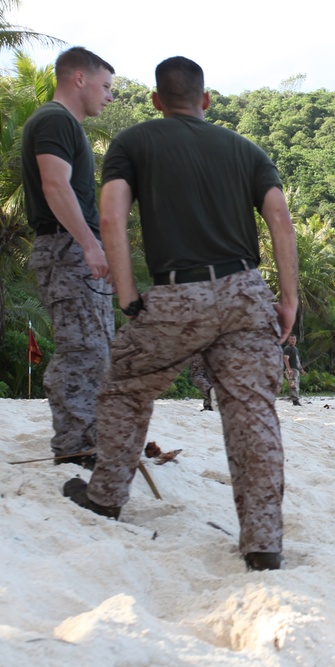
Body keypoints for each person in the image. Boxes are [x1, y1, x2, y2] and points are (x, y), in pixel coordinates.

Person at [61, 56, 299, 572]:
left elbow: (109, 216)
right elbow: (280, 218)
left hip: (175, 295)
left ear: (155, 102)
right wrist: (289, 299)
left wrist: (128, 296)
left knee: (126, 387)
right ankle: (262, 544)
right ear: (206, 100)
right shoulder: (245, 149)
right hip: (243, 291)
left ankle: (105, 497)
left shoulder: (134, 142)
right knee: (252, 413)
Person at [22, 47, 116, 469]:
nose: (110, 96)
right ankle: (75, 448)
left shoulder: (66, 125)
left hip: (73, 248)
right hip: (65, 248)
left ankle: (89, 439)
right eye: (107, 86)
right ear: (80, 78)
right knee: (82, 350)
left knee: (98, 349)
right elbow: (54, 185)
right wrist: (90, 244)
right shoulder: (55, 119)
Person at [282, 334, 303, 406]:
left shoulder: (295, 349)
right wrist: (289, 369)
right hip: (291, 369)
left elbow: (297, 360)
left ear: (296, 340)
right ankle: (295, 400)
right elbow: (285, 358)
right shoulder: (288, 348)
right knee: (293, 385)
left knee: (296, 384)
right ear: (289, 340)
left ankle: (296, 399)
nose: (293, 340)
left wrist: (301, 369)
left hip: (296, 369)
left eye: (294, 339)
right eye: (291, 339)